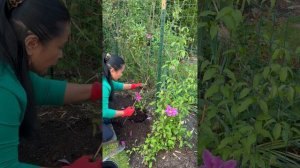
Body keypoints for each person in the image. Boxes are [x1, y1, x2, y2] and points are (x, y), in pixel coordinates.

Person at [0, 0, 101, 167]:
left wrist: (96, 91)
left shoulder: (9, 66)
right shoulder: (4, 91)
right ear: (32, 43)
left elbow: (42, 89)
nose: (60, 55)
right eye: (59, 46)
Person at [102, 53, 142, 142]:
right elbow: (104, 111)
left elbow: (117, 85)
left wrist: (134, 85)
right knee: (108, 135)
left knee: (108, 121)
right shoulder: (104, 86)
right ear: (112, 70)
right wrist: (124, 112)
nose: (121, 74)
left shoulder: (105, 77)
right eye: (121, 71)